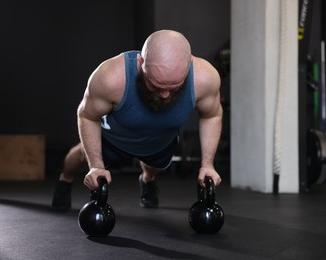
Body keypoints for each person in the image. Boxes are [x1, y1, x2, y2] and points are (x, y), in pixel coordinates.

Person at [52, 29, 223, 211]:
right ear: (141, 62)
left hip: (158, 141)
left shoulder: (205, 78)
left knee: (152, 167)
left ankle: (147, 180)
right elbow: (87, 115)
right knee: (80, 156)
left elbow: (211, 115)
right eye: (156, 86)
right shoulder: (110, 77)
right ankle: (65, 180)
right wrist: (95, 165)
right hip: (113, 138)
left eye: (173, 87)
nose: (165, 95)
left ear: (189, 65)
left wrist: (208, 164)